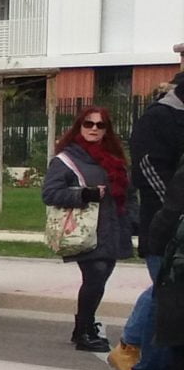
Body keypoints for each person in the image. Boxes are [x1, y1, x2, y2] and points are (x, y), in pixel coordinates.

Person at [42, 106, 134, 354]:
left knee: (100, 279)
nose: (94, 129)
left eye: (100, 125)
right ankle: (84, 331)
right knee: (95, 276)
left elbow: (128, 193)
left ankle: (83, 325)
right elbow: (49, 193)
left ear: (107, 130)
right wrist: (85, 194)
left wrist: (134, 221)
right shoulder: (67, 159)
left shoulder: (115, 159)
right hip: (86, 231)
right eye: (88, 124)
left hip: (113, 227)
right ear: (79, 127)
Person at [118, 61, 184, 370]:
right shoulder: (159, 118)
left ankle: (130, 343)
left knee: (163, 294)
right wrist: (175, 211)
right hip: (165, 228)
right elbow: (148, 172)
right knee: (166, 299)